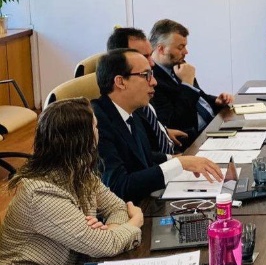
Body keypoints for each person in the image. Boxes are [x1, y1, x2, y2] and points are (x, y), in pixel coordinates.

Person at [0, 98, 143, 265]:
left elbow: (117, 208)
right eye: (96, 128)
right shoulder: (41, 193)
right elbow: (105, 243)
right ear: (82, 140)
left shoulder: (78, 172)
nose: (99, 133)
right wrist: (133, 223)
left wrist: (111, 229)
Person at [92, 48, 223, 203]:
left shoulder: (134, 111)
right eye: (146, 75)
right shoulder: (96, 123)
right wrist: (178, 164)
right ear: (120, 82)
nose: (154, 82)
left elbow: (141, 156)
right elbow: (118, 187)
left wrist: (176, 158)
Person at [149, 19, 233, 148]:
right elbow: (176, 122)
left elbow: (199, 98)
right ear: (161, 49)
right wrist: (187, 84)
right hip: (194, 140)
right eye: (180, 47)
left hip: (214, 124)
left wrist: (216, 101)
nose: (186, 52)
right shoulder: (152, 80)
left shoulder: (179, 66)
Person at [106, 26, 188, 152]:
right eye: (144, 57)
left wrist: (163, 130)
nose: (152, 63)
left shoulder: (142, 88)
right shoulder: (119, 110)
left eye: (150, 55)